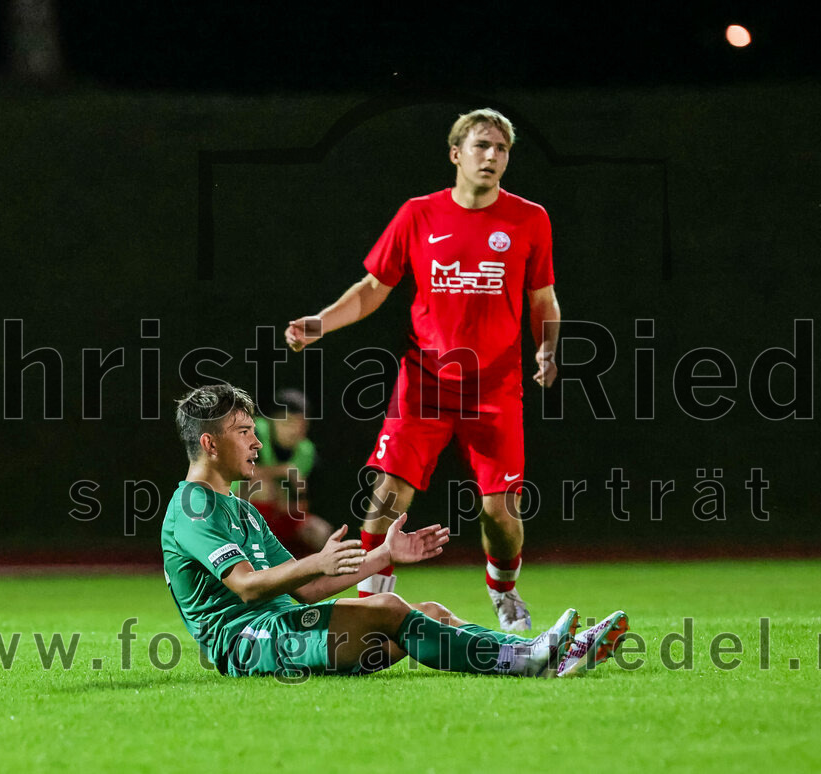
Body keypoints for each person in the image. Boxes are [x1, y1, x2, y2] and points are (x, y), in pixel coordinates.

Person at [285, 108, 561, 631]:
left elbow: (543, 298)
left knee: (502, 513)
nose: (492, 156)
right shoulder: (418, 214)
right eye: (482, 145)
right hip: (426, 382)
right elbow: (373, 288)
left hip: (495, 388)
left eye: (501, 149)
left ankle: (503, 589)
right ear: (456, 154)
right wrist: (321, 323)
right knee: (389, 494)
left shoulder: (529, 218)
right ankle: (371, 603)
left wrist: (547, 347)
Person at [162, 383, 628, 678]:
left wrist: (381, 556)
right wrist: (318, 561)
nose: (256, 441)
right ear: (209, 443)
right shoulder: (193, 506)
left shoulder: (241, 510)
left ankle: (550, 652)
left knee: (430, 613)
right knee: (388, 607)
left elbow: (307, 591)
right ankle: (530, 658)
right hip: (247, 643)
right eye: (243, 432)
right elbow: (245, 586)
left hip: (284, 627)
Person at [232, 388, 333, 557]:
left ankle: (299, 565)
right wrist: (283, 471)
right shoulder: (253, 431)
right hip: (236, 514)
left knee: (321, 531)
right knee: (261, 488)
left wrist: (288, 500)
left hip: (280, 517)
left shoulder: (306, 451)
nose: (295, 431)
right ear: (272, 421)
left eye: (302, 425)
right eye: (289, 423)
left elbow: (302, 504)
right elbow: (238, 474)